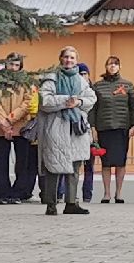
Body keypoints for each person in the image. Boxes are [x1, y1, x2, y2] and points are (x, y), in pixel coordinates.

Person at [33, 47, 95, 216]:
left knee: (74, 167)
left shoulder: (81, 80)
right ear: (60, 59)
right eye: (66, 57)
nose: (69, 60)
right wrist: (65, 100)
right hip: (56, 126)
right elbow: (44, 100)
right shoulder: (51, 78)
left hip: (76, 128)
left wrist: (79, 101)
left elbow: (91, 98)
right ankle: (51, 204)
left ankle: (71, 203)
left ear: (76, 60)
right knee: (54, 166)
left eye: (72, 58)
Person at [0, 54, 34, 203]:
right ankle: (1, 192)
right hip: (0, 127)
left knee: (22, 162)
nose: (13, 68)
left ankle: (19, 192)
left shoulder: (26, 83)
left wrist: (11, 119)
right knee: (0, 161)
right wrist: (4, 123)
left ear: (21, 66)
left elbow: (27, 102)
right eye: (11, 64)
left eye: (16, 65)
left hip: (21, 126)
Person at [85, 56, 134, 204]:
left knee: (121, 162)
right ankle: (106, 193)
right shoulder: (98, 86)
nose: (112, 66)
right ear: (106, 66)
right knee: (106, 163)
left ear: (120, 67)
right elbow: (92, 109)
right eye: (110, 64)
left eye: (115, 64)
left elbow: (133, 107)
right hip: (104, 128)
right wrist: (93, 127)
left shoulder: (128, 85)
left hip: (122, 128)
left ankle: (118, 193)